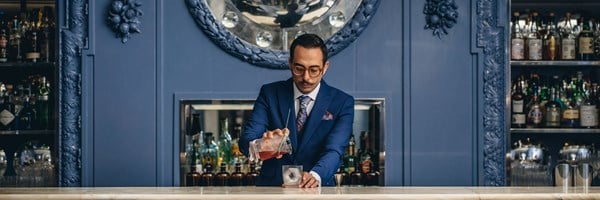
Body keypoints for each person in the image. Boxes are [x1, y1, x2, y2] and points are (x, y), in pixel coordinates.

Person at [240, 34, 354, 188]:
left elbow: (335, 150)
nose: (306, 77)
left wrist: (314, 176)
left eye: (314, 70)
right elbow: (246, 139)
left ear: (325, 67)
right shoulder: (270, 93)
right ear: (290, 64)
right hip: (273, 188)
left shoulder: (342, 102)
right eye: (299, 69)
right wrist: (263, 145)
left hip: (317, 190)